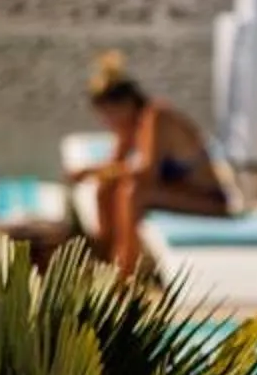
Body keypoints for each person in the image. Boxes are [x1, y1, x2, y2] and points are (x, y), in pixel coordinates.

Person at [70, 54, 230, 280]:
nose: (107, 123)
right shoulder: (130, 125)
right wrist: (94, 173)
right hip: (176, 195)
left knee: (133, 193)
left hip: (210, 201)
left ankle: (123, 275)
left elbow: (146, 171)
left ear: (125, 104)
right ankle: (104, 261)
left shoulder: (156, 116)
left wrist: (91, 172)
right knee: (105, 188)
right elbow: (115, 166)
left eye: (108, 115)